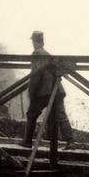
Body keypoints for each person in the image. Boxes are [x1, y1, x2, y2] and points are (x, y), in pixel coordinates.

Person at [23, 30, 74, 168]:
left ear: (34, 41)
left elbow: (36, 75)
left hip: (44, 92)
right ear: (42, 41)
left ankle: (27, 142)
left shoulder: (37, 54)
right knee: (61, 116)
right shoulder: (48, 54)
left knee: (31, 114)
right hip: (57, 90)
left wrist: (31, 92)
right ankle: (71, 142)